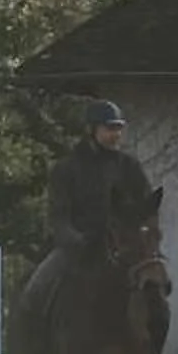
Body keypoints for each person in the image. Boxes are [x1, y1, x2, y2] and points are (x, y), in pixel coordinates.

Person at [20, 99, 154, 331]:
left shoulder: (129, 167)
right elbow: (58, 216)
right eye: (110, 128)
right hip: (79, 247)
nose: (116, 134)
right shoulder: (67, 168)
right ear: (92, 130)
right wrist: (76, 239)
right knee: (35, 290)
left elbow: (146, 205)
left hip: (122, 246)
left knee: (156, 291)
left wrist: (142, 233)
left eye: (119, 128)